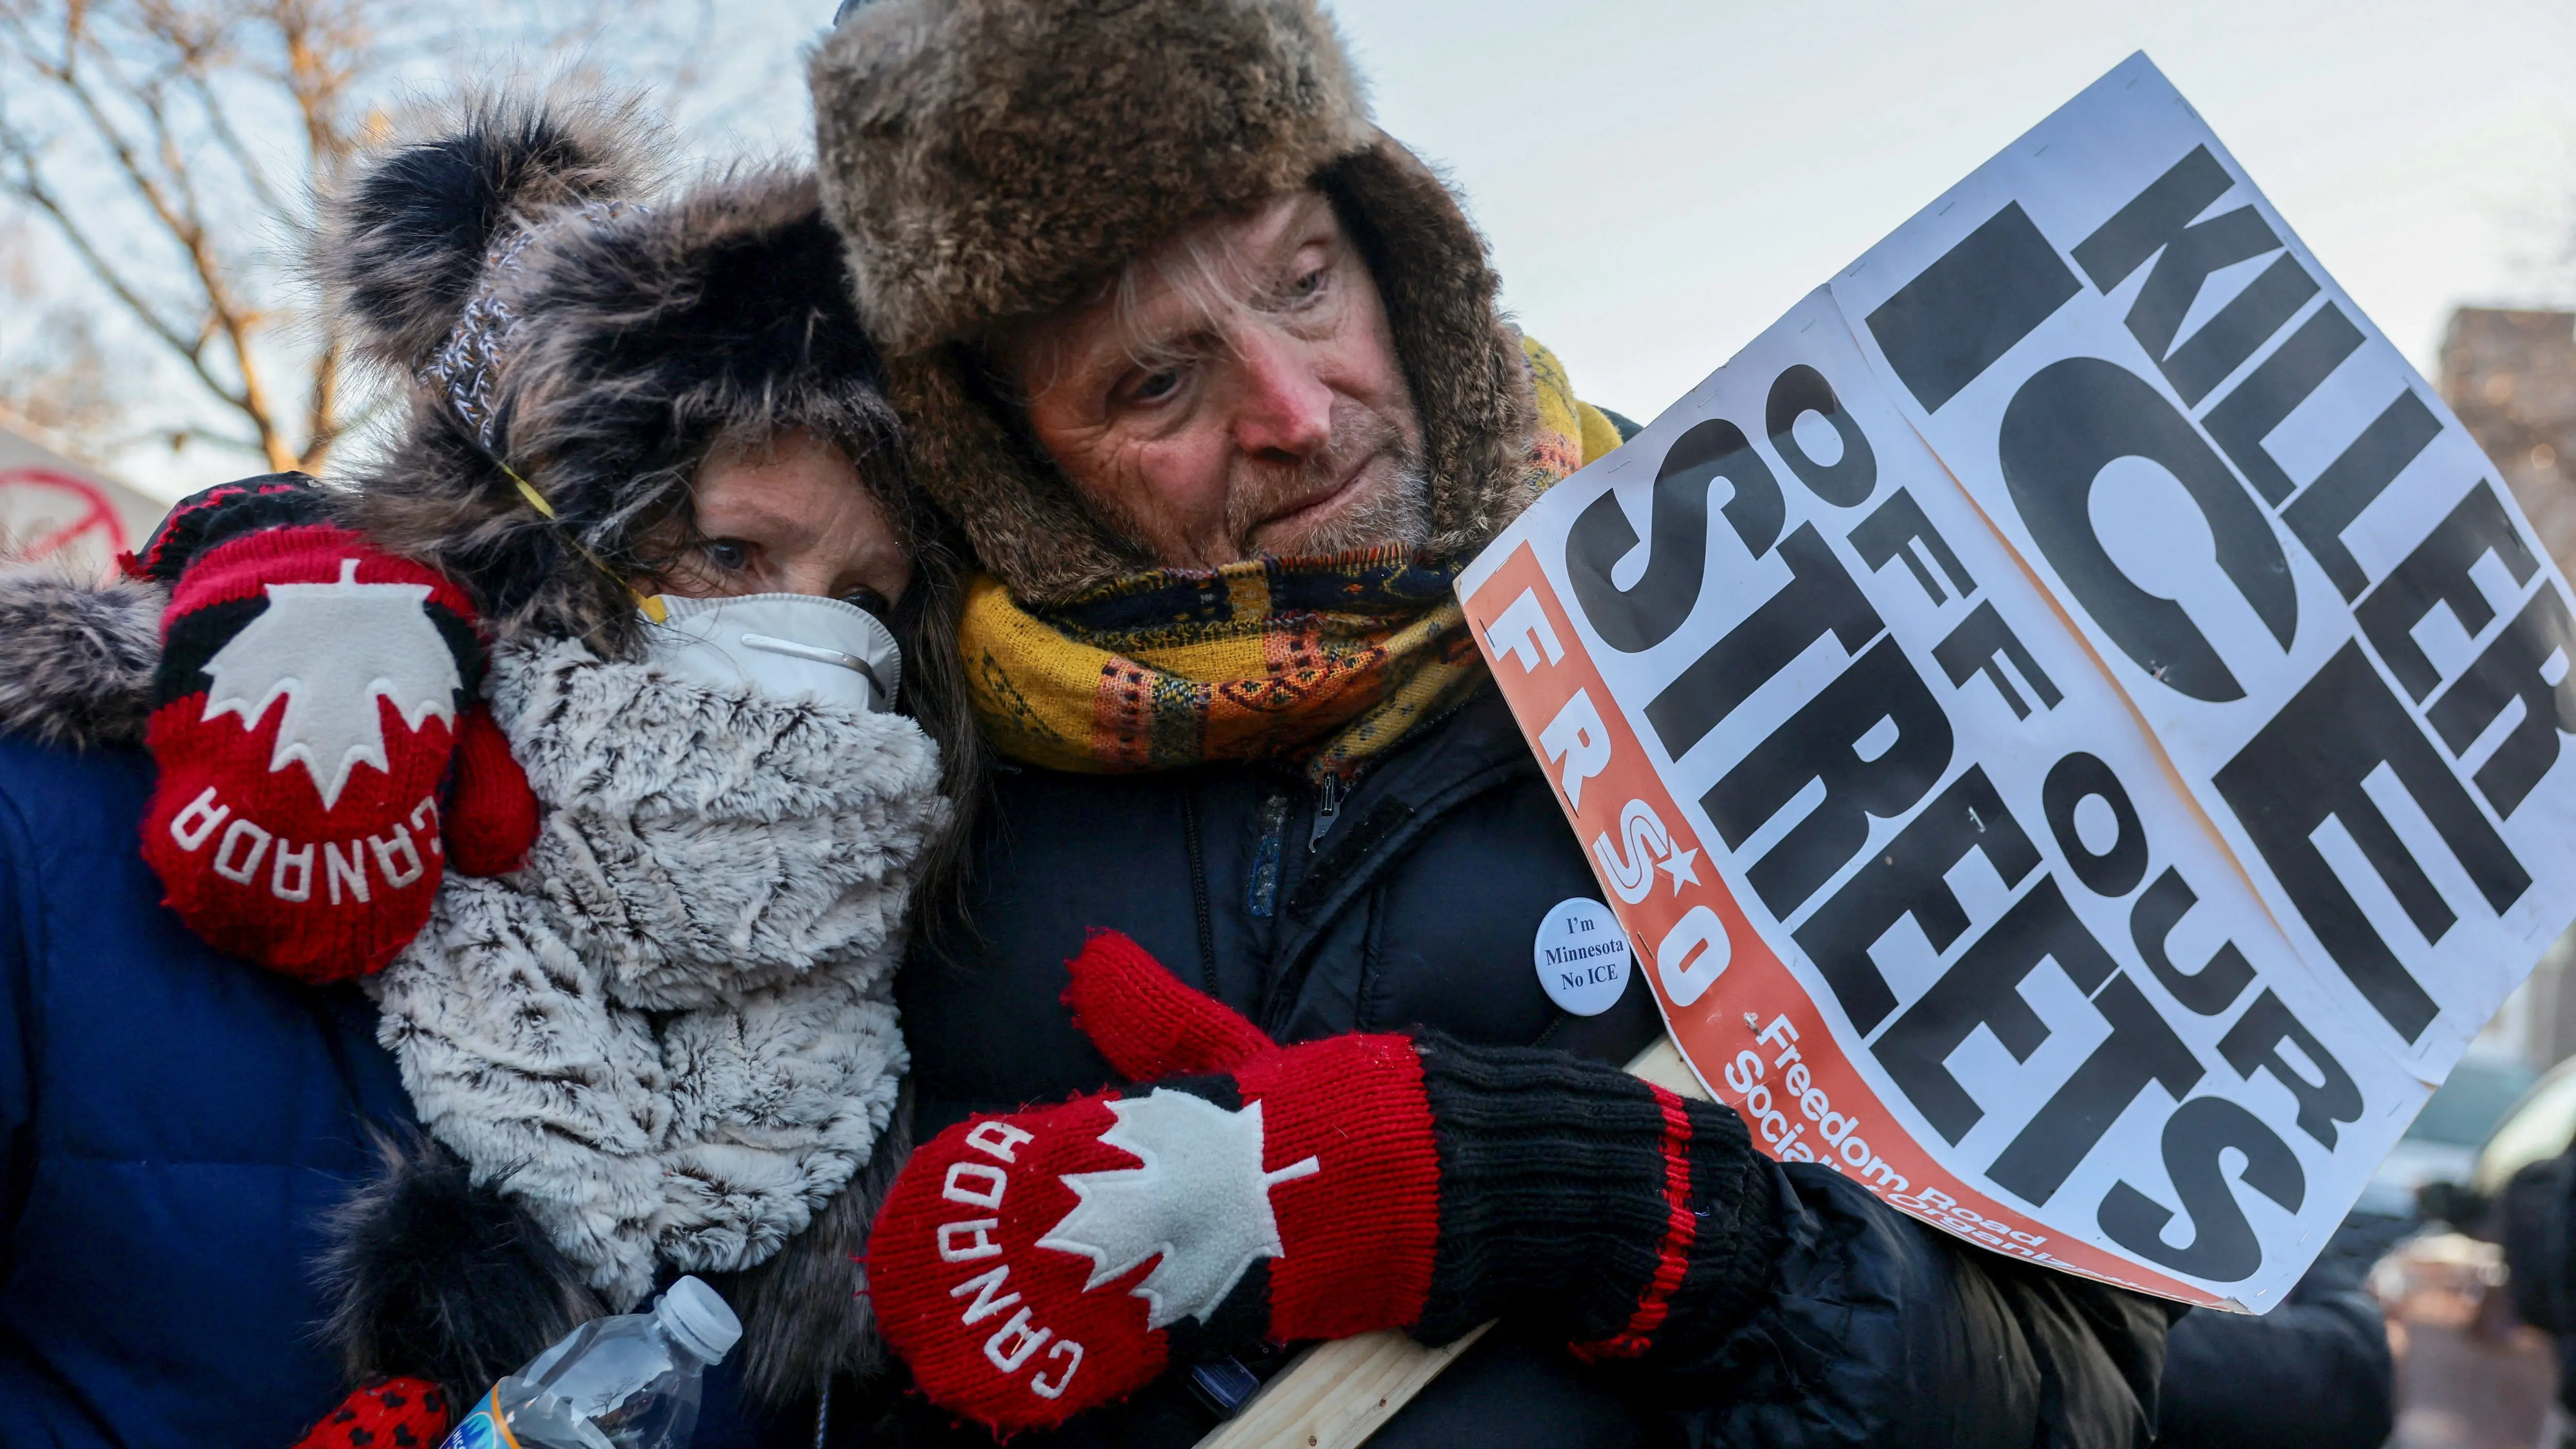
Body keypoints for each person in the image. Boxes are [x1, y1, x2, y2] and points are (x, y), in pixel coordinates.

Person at [807, 2, 2174, 1445]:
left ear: (1396, 244)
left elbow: (2074, 1373)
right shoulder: (914, 752)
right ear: (1007, 452)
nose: (1294, 406)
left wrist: (1603, 1210)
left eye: (1306, 282)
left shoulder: (1776, 616)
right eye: (1157, 380)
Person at [0, 93, 958, 1448]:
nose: (806, 648)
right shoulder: (65, 837)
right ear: (532, 544)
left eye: (863, 595)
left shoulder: (854, 1033)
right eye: (731, 557)